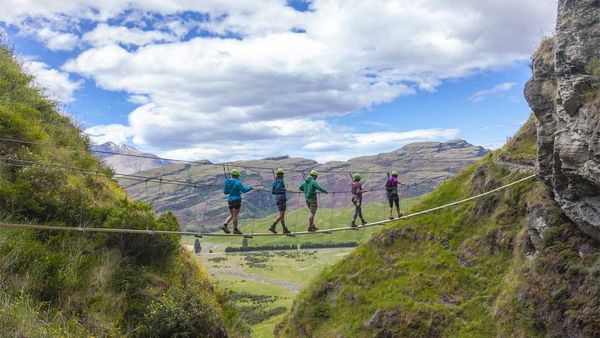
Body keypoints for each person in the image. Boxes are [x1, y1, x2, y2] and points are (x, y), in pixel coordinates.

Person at [222, 169, 253, 234]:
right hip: (236, 199)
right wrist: (250, 188)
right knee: (235, 216)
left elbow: (225, 192)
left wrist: (231, 190)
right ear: (237, 176)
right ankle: (235, 230)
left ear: (231, 175)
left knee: (232, 215)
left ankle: (225, 225)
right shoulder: (238, 182)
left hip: (230, 200)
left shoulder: (227, 182)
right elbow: (244, 190)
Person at [269, 168, 291, 234]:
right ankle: (273, 226)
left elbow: (273, 192)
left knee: (282, 215)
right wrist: (285, 190)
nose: (283, 176)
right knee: (281, 215)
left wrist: (279, 192)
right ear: (281, 175)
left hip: (278, 199)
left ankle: (284, 229)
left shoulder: (275, 182)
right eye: (282, 174)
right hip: (282, 199)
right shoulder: (280, 181)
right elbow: (279, 188)